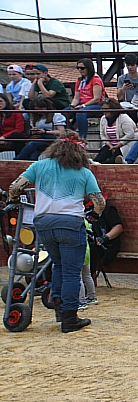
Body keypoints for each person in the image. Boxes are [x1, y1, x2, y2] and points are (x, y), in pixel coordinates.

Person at [7, 139, 105, 332]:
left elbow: (15, 187)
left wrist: (13, 199)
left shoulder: (39, 166)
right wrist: (95, 214)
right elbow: (99, 202)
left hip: (43, 223)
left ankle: (59, 307)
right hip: (70, 224)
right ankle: (69, 318)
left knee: (58, 265)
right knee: (71, 272)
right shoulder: (84, 172)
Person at [86, 193, 123, 279]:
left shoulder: (107, 209)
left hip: (106, 246)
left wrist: (105, 237)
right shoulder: (79, 209)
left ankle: (91, 280)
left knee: (91, 250)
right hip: (86, 243)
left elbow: (118, 227)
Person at [69, 59, 106, 140]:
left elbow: (96, 98)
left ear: (88, 68)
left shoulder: (96, 80)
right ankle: (72, 134)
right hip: (82, 104)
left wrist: (83, 105)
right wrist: (72, 105)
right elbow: (76, 97)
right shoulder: (79, 81)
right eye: (78, 68)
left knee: (80, 113)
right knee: (62, 114)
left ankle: (82, 138)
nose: (80, 70)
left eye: (82, 68)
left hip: (96, 105)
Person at [93, 99, 138, 163]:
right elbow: (102, 134)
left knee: (113, 160)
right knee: (101, 155)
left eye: (106, 109)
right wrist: (110, 145)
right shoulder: (103, 119)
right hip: (111, 145)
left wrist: (118, 145)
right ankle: (94, 163)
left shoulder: (124, 117)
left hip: (125, 144)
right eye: (102, 109)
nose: (104, 111)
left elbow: (130, 134)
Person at [0, 92, 27, 156]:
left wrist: (4, 137)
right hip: (2, 137)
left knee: (15, 135)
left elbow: (19, 129)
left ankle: (19, 158)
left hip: (14, 136)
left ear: (6, 101)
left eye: (1, 101)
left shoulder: (16, 112)